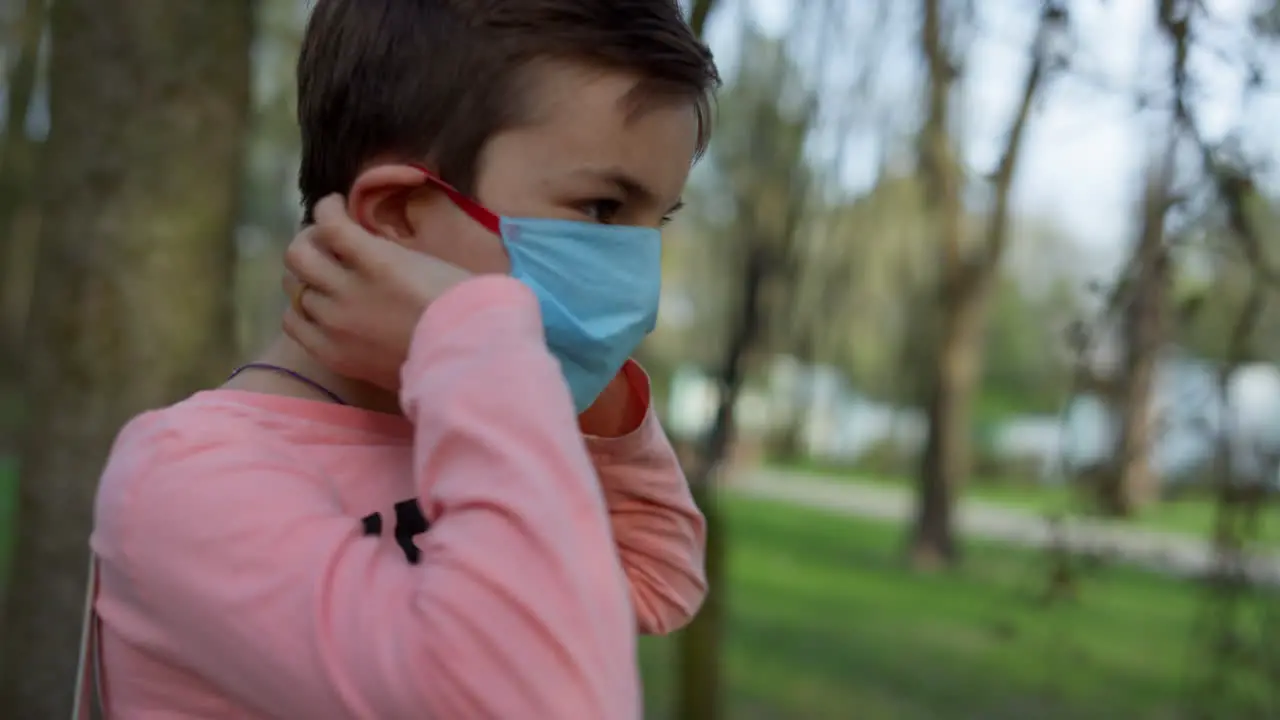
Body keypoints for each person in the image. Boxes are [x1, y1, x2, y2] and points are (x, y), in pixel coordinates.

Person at [86, 1, 720, 717]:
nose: (641, 283)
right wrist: (477, 342)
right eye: (604, 210)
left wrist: (576, 374)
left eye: (655, 223)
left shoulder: (468, 421)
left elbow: (656, 572)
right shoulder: (185, 480)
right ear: (394, 213)